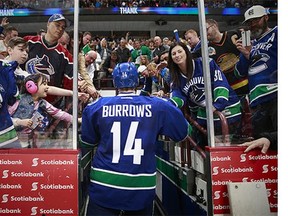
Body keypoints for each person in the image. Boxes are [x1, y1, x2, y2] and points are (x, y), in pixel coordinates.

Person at [80, 62, 191, 215]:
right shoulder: (158, 106)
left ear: (115, 82)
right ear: (137, 82)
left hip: (104, 185)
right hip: (141, 188)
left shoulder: (96, 107)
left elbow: (87, 142)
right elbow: (183, 132)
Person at [168, 41, 242, 147]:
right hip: (205, 115)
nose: (177, 55)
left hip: (228, 110)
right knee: (206, 149)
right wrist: (169, 105)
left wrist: (217, 105)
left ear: (187, 52)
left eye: (180, 51)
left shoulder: (206, 63)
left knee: (225, 149)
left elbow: (220, 83)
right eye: (174, 54)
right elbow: (178, 96)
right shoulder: (175, 76)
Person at [235, 5, 277, 144]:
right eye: (249, 22)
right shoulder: (249, 44)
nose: (252, 25)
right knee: (262, 145)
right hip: (257, 102)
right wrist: (246, 54)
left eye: (256, 20)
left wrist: (252, 53)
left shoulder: (277, 33)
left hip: (276, 95)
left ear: (266, 18)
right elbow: (239, 72)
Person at [9, 73, 78, 148]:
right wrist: (20, 122)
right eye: (44, 84)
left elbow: (60, 114)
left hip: (28, 143)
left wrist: (76, 120)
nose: (47, 87)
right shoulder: (18, 101)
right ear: (32, 86)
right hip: (11, 141)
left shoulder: (43, 104)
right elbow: (4, 119)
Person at [205, 19, 249, 97]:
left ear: (214, 26)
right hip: (229, 91)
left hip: (247, 82)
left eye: (206, 29)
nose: (205, 33)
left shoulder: (233, 35)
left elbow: (247, 30)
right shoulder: (205, 49)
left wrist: (243, 37)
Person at [0, 60, 21, 148]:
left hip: (5, 130)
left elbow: (12, 97)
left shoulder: (5, 67)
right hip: (5, 127)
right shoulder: (5, 68)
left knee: (15, 159)